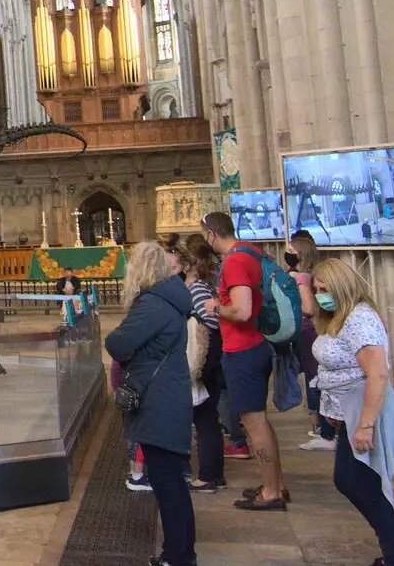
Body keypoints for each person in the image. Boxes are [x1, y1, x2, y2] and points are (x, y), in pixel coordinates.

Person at [310, 259, 394, 566]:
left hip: (366, 410)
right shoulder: (338, 317)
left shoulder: (360, 319)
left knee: (365, 484)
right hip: (349, 411)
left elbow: (377, 374)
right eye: (316, 289)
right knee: (348, 480)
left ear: (342, 288)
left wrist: (366, 424)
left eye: (325, 289)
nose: (319, 295)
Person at [105, 241, 196, 566]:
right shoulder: (171, 299)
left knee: (167, 483)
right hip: (169, 392)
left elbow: (117, 342)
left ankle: (178, 557)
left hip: (158, 399)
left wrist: (128, 351)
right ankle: (182, 553)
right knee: (171, 480)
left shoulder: (153, 304)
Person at [201, 211, 287, 510]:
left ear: (211, 233)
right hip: (255, 346)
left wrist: (214, 307)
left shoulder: (235, 260)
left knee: (254, 424)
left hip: (243, 349)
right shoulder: (250, 251)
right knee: (260, 421)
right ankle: (275, 483)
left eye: (205, 236)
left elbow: (242, 311)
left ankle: (272, 493)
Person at [179, 234, 225, 491]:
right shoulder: (202, 285)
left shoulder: (197, 288)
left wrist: (198, 364)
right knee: (207, 419)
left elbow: (208, 326)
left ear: (188, 265)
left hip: (206, 360)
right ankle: (214, 472)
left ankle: (207, 475)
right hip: (210, 359)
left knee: (205, 418)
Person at [288, 232, 337, 451]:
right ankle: (324, 428)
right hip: (310, 331)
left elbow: (308, 308)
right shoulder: (307, 275)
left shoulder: (300, 278)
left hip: (308, 331)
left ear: (300, 255)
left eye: (290, 252)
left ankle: (326, 431)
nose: (286, 255)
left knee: (315, 378)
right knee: (314, 377)